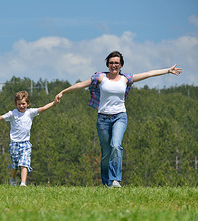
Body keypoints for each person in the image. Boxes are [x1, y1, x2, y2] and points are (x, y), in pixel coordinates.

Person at [55, 51, 182, 188]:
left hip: (120, 117)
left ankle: (115, 180)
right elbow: (81, 84)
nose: (114, 65)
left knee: (116, 145)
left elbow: (148, 74)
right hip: (103, 118)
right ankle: (106, 182)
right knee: (106, 153)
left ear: (121, 65)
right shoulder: (100, 77)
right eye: (111, 63)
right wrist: (63, 92)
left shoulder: (125, 78)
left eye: (116, 63)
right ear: (107, 64)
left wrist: (168, 70)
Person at [0, 91, 59, 186]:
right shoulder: (12, 114)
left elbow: (43, 108)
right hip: (14, 143)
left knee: (24, 163)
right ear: (16, 104)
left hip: (25, 143)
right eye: (19, 104)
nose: (21, 106)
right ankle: (13, 179)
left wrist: (54, 102)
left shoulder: (30, 113)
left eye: (23, 104)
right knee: (15, 165)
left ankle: (23, 183)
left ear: (28, 103)